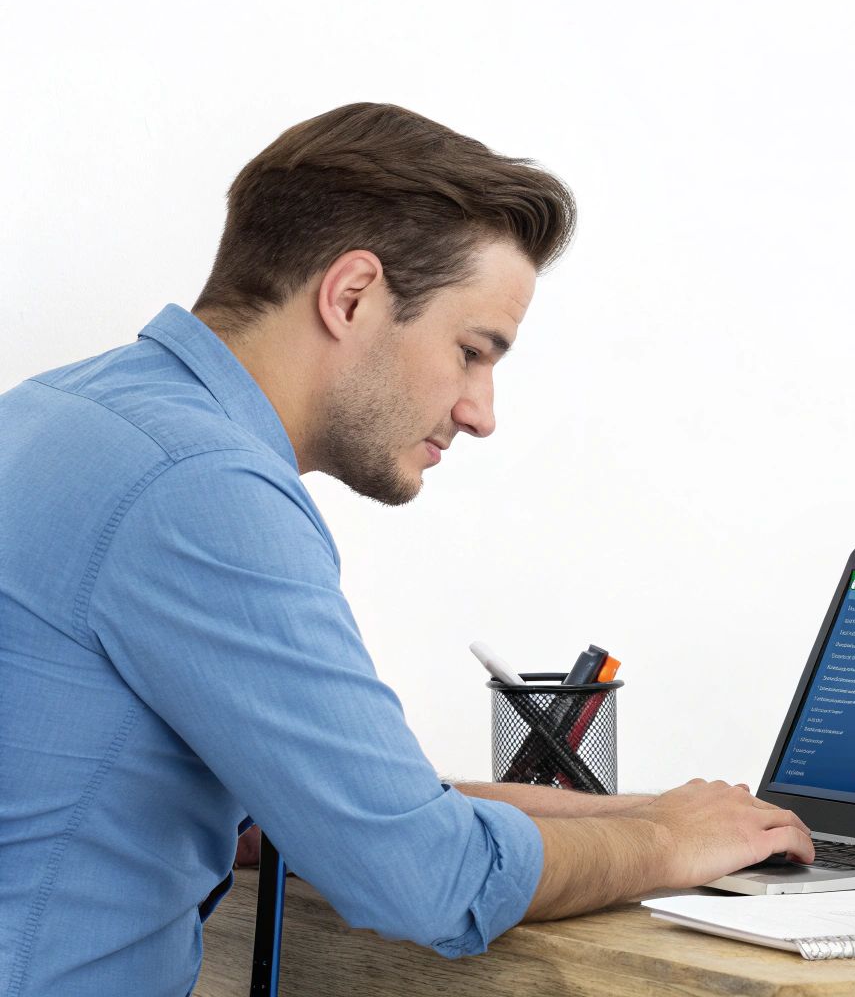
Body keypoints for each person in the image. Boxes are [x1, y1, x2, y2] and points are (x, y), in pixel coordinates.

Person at [0, 103, 813, 997]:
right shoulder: (201, 488)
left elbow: (332, 806)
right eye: (472, 351)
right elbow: (425, 877)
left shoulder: (51, 415)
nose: (481, 412)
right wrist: (663, 844)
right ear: (351, 296)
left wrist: (646, 812)